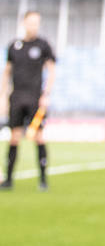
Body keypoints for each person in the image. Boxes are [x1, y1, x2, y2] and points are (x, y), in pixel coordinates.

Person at [3, 10, 56, 191]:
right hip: (17, 97)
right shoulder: (14, 46)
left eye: (36, 23)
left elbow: (52, 70)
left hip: (35, 98)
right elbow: (7, 72)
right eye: (30, 22)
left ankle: (43, 179)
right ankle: (8, 179)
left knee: (38, 137)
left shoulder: (43, 46)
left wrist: (46, 94)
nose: (33, 26)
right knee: (14, 137)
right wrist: (3, 97)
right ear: (24, 23)